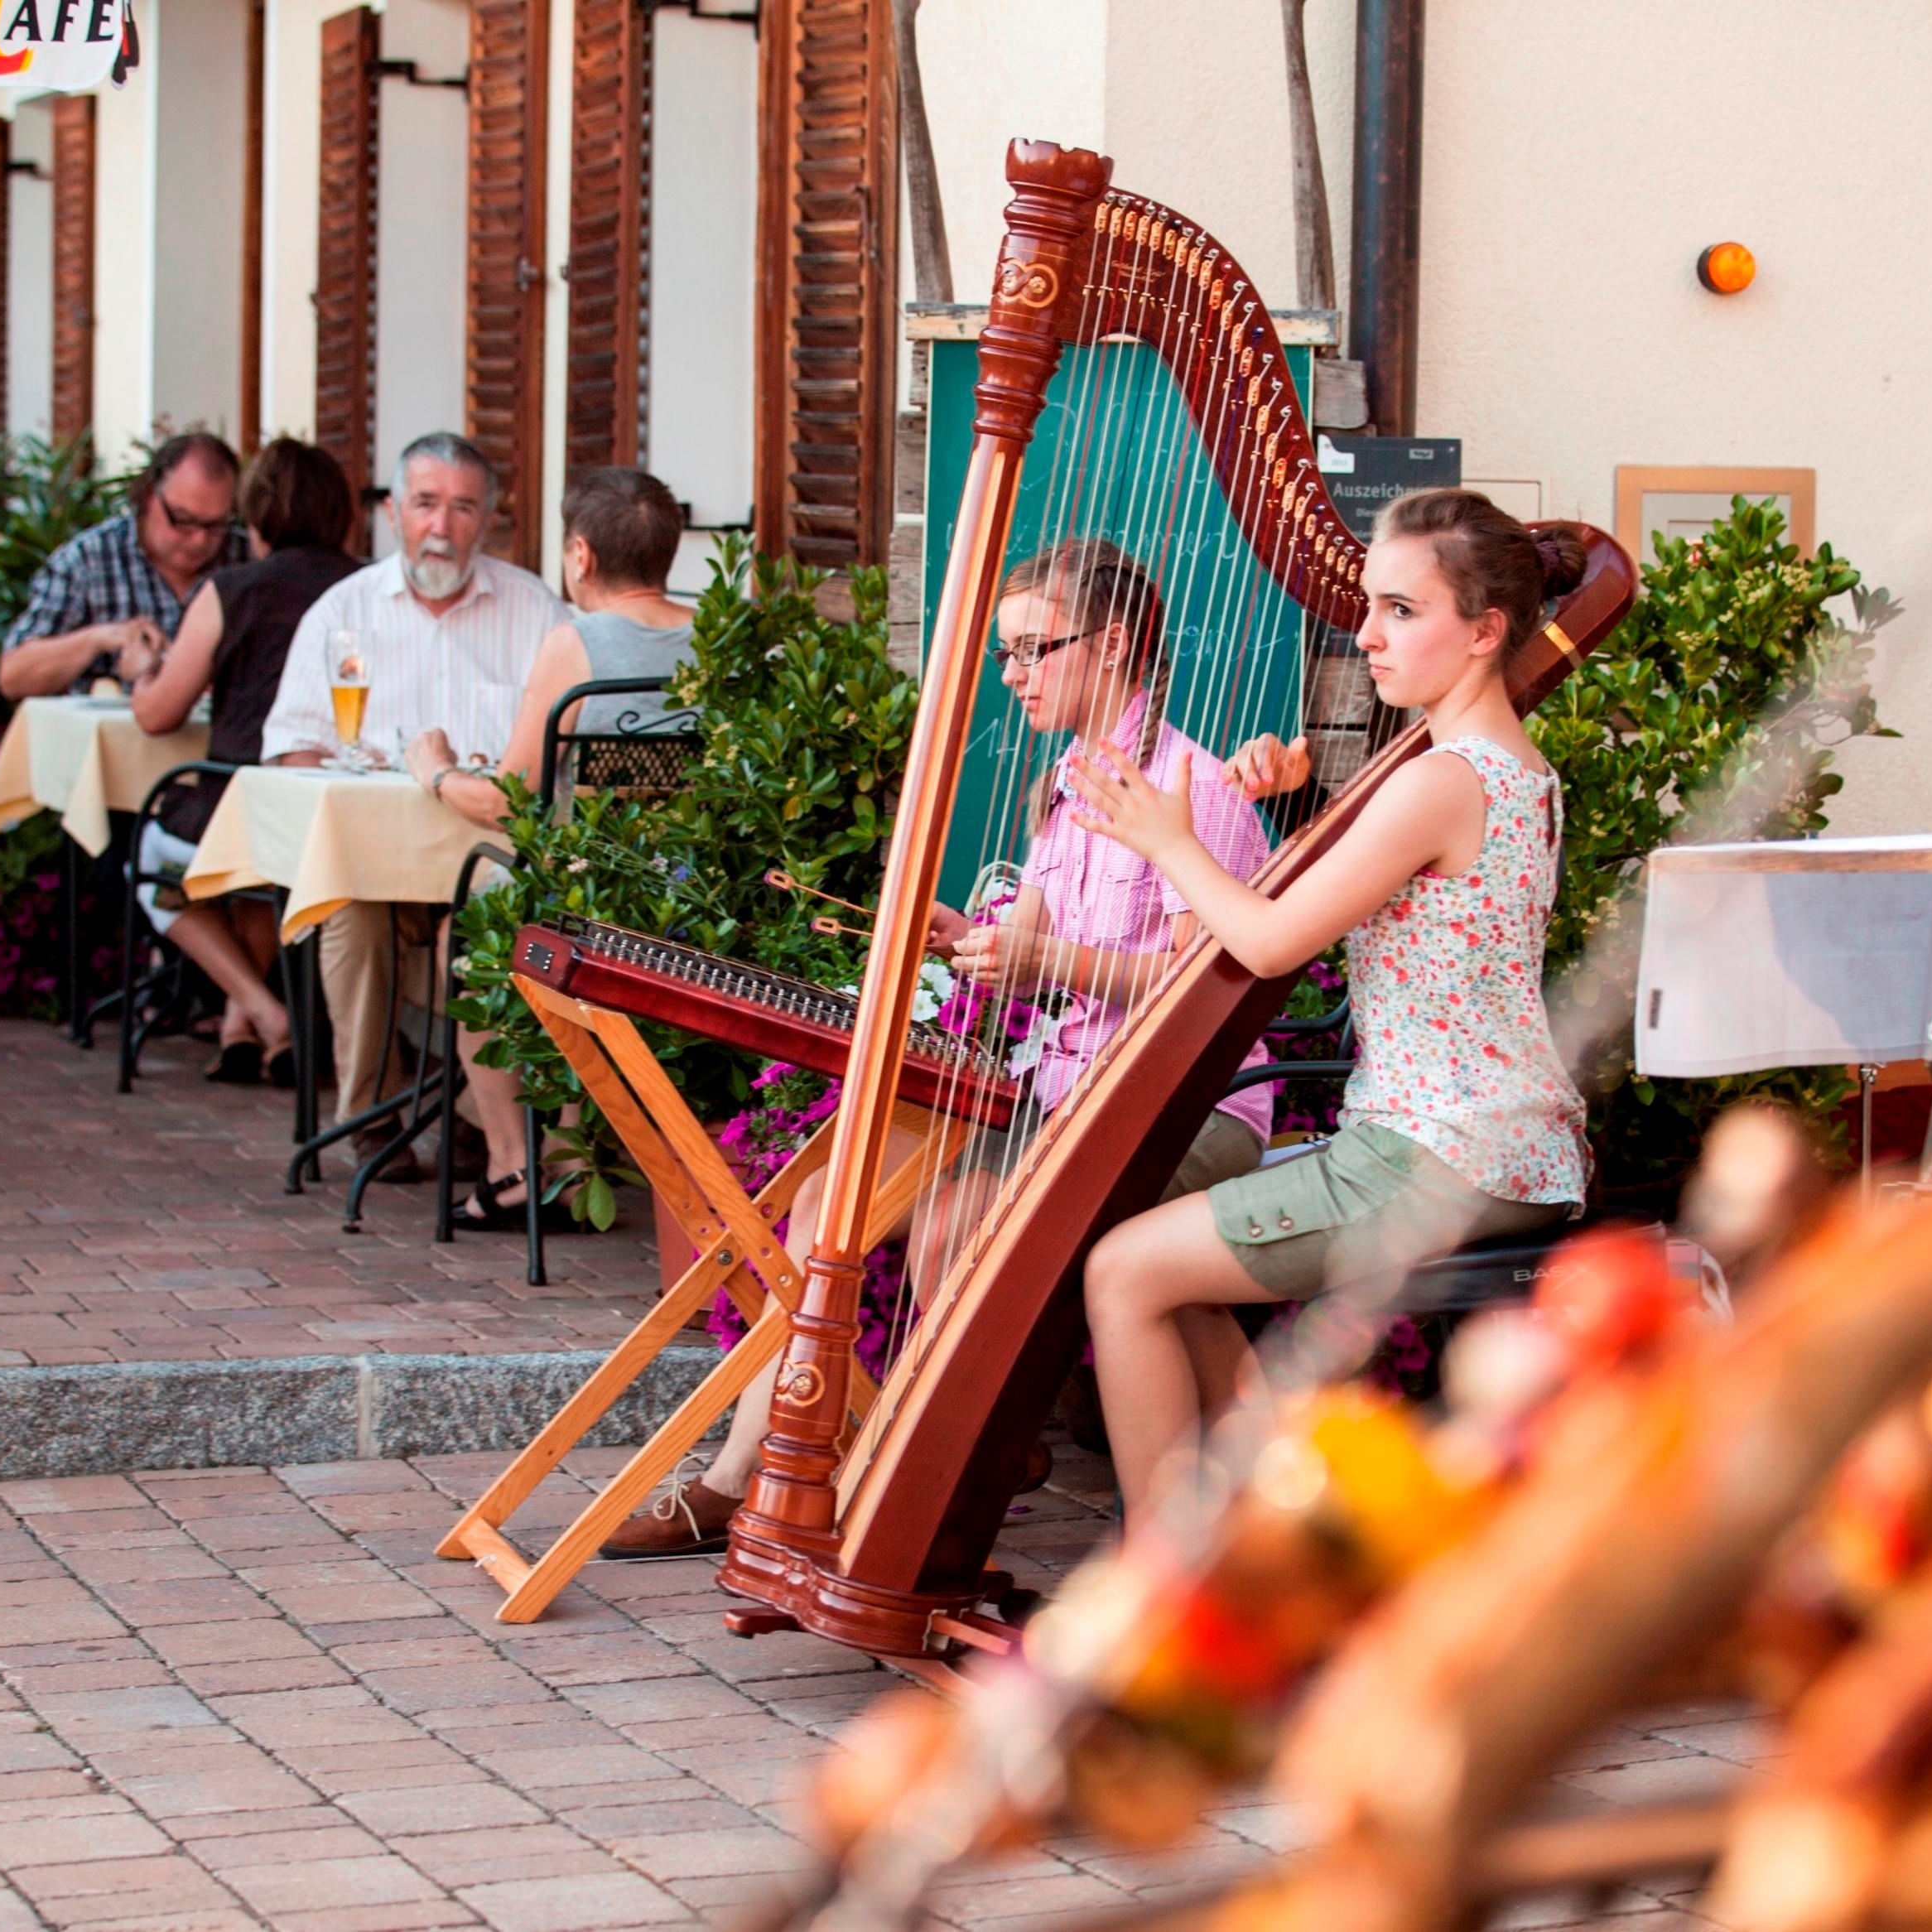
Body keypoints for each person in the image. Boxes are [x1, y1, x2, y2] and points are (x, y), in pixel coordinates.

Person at [602, 535, 1285, 1556]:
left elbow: (1208, 990)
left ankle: (941, 1464)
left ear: (1116, 644)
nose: (1011, 676)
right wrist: (970, 937)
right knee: (833, 1191)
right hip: (1060, 1098)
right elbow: (1041, 943)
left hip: (1178, 1107)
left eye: (1034, 650)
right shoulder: (1072, 784)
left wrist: (1043, 956)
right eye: (1005, 655)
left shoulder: (1196, 788)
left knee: (952, 1219)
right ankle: (743, 1474)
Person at [1067, 488, 1591, 1516]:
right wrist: (1294, 805)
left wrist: (1169, 839)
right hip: (1505, 1142)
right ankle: (1276, 1530)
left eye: (1402, 610)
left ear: (1484, 632)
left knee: (1123, 1270)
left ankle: (1159, 1592)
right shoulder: (1513, 770)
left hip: (1433, 1152)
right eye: (1367, 606)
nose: (1366, 636)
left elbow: (1266, 942)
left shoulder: (1439, 780)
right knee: (1172, 1258)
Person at [262, 431, 566, 1178]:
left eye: (463, 508)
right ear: (394, 512)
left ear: (489, 519)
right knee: (349, 910)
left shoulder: (533, 610)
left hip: (493, 865)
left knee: (492, 931)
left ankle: (469, 1115)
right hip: (381, 866)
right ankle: (373, 1116)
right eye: (426, 504)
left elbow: (560, 758)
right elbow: (289, 748)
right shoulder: (346, 610)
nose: (443, 526)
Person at [402, 465, 696, 1228]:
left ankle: (515, 1164)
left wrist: (433, 770)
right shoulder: (715, 632)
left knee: (465, 936)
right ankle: (568, 1152)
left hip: (590, 895)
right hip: (696, 895)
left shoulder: (578, 641)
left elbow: (510, 801)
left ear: (580, 555)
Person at [121, 438, 363, 1084]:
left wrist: (142, 669)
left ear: (255, 518)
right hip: (338, 802)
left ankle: (263, 1012)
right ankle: (239, 1022)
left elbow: (157, 713)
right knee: (260, 874)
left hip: (239, 800)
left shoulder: (231, 589)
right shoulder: (367, 590)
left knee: (154, 860)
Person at [0, 431, 248, 701]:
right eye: (183, 520)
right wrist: (99, 638)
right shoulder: (88, 560)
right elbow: (13, 676)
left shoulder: (248, 560)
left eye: (216, 525)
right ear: (151, 496)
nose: (199, 540)